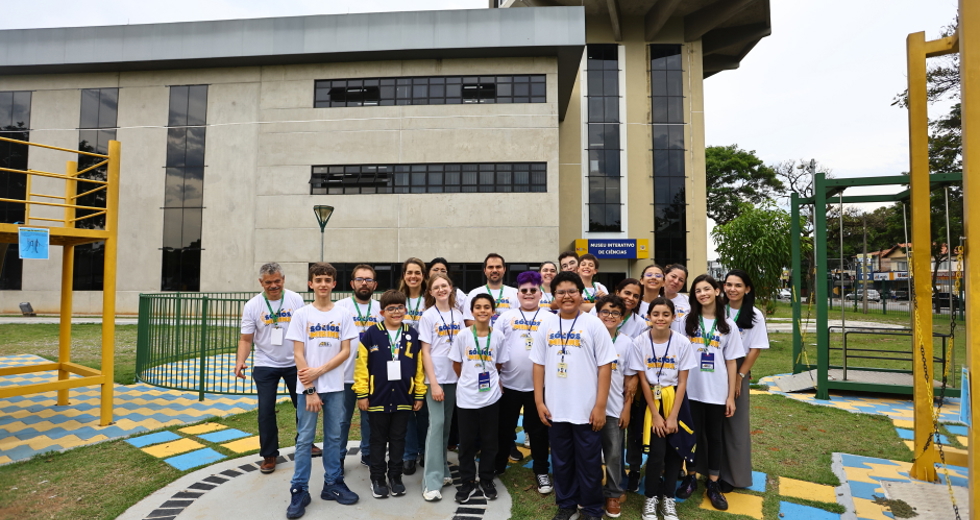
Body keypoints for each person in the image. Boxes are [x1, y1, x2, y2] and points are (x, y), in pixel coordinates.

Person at [531, 271, 617, 520]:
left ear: (581, 294)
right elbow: (538, 364)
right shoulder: (546, 323)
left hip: (586, 409)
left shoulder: (593, 324)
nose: (566, 296)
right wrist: (538, 400)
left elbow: (605, 366)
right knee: (562, 460)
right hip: (557, 408)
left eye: (572, 291)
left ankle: (591, 507)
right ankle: (566, 503)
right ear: (554, 296)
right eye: (561, 292)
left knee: (589, 462)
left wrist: (600, 406)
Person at [285, 263, 360, 519]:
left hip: (335, 387)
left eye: (328, 279)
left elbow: (345, 352)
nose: (323, 284)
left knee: (335, 438)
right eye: (318, 280)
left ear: (334, 283)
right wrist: (310, 389)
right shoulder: (302, 315)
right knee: (305, 439)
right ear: (311, 284)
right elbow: (298, 354)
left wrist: (320, 371)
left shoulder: (342, 315)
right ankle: (299, 489)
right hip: (307, 390)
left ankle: (333, 484)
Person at [673, 274, 744, 511]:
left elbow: (732, 361)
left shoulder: (728, 325)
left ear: (716, 291)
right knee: (691, 437)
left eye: (706, 289)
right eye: (697, 291)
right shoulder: (686, 323)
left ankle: (713, 483)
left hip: (716, 392)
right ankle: (690, 476)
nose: (702, 294)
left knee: (715, 438)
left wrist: (730, 396)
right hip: (691, 391)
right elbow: (680, 356)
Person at [236, 262, 315, 475]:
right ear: (261, 283)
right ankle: (269, 454)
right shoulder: (252, 305)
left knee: (304, 406)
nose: (273, 286)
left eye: (277, 281)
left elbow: (305, 332)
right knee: (265, 411)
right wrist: (240, 361)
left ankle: (305, 443)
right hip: (265, 363)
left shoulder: (295, 299)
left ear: (283, 280)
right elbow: (245, 339)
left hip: (294, 363)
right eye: (269, 282)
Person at [354, 290, 426, 499]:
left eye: (400, 307)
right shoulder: (371, 334)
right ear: (382, 311)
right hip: (377, 397)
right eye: (391, 308)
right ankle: (377, 478)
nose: (396, 312)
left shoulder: (412, 333)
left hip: (404, 397)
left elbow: (419, 367)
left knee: (398, 439)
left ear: (405, 309)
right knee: (377, 440)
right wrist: (362, 393)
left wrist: (419, 394)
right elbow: (361, 367)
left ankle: (395, 477)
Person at [631, 297, 696, 520]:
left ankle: (668, 499)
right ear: (648, 316)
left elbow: (683, 382)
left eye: (665, 314)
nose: (660, 318)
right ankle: (650, 498)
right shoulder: (639, 341)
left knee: (675, 452)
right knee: (656, 454)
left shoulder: (682, 342)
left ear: (673, 317)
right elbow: (642, 380)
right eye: (656, 314)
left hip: (675, 401)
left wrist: (673, 416)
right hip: (651, 404)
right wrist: (656, 415)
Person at [495, 271, 556, 495]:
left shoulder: (550, 317)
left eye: (533, 290)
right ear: (518, 294)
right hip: (509, 384)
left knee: (538, 431)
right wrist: (496, 378)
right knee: (504, 430)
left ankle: (541, 471)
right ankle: (498, 465)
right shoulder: (505, 317)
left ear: (541, 293)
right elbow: (496, 349)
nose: (528, 294)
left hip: (538, 389)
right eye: (524, 291)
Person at [450, 293, 508, 503]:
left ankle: (486, 479)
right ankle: (467, 481)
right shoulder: (463, 335)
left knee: (490, 441)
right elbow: (457, 363)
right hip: (466, 397)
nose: (482, 311)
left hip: (490, 398)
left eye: (486, 307)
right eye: (478, 307)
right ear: (472, 311)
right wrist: (468, 380)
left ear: (493, 311)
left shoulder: (499, 336)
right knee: (465, 443)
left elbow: (499, 364)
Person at [716, 269, 770, 491]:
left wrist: (739, 376)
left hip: (738, 370)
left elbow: (755, 349)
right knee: (713, 424)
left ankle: (733, 477)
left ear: (747, 289)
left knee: (735, 425)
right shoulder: (718, 310)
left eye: (738, 285)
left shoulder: (755, 315)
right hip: (713, 368)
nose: (732, 289)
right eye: (728, 284)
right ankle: (711, 473)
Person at [418, 273, 464, 501]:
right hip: (436, 380)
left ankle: (444, 471)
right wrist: (433, 383)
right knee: (436, 427)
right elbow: (425, 351)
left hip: (454, 379)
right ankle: (431, 481)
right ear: (431, 292)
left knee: (445, 428)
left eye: (444, 285)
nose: (441, 289)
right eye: (436, 287)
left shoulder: (458, 314)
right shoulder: (427, 316)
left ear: (450, 288)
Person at [333, 265, 381, 470]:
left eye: (369, 280)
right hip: (343, 375)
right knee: (342, 421)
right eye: (360, 279)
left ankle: (368, 453)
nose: (364, 283)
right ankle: (339, 457)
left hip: (372, 376)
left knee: (369, 419)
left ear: (375, 285)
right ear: (352, 283)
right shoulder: (340, 307)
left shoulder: (381, 309)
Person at [593, 295, 637, 519]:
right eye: (605, 312)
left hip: (614, 408)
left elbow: (630, 380)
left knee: (613, 454)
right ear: (597, 314)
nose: (610, 316)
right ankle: (591, 492)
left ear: (622, 317)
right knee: (589, 453)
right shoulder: (588, 337)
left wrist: (626, 408)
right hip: (587, 407)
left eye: (615, 313)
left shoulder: (627, 343)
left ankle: (613, 493)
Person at [399, 257, 429, 476]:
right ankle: (409, 454)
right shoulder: (399, 299)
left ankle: (425, 451)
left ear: (423, 275)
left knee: (425, 411)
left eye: (417, 272)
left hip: (427, 360)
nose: (413, 276)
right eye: (409, 272)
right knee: (407, 410)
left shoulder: (430, 300)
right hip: (402, 361)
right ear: (404, 275)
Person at [464, 253, 518, 327]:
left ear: (504, 269)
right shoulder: (474, 294)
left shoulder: (516, 293)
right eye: (490, 267)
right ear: (485, 270)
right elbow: (469, 321)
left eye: (498, 267)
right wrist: (491, 333)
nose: (494, 270)